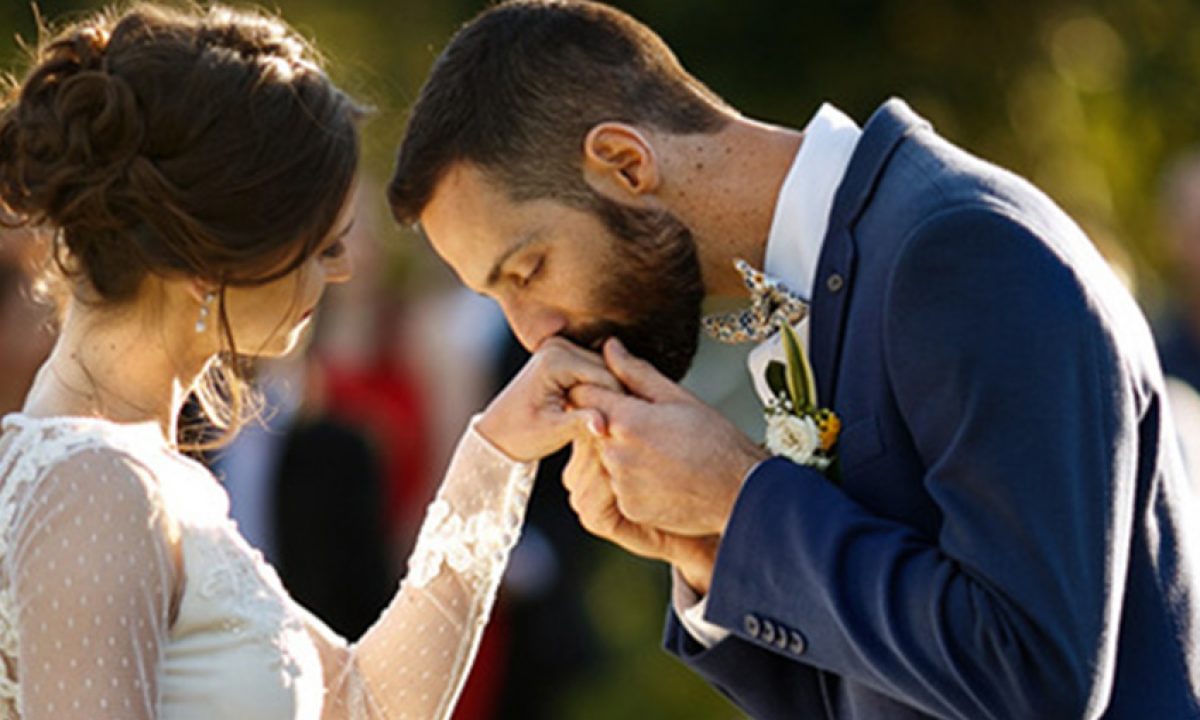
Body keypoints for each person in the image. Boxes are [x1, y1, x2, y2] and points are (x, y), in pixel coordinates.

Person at [387, 1, 1200, 717]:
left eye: (526, 271)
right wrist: (706, 550)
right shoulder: (814, 276)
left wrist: (741, 498)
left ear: (626, 165)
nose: (534, 334)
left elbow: (1035, 676)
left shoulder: (957, 248)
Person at [0, 4, 618, 718]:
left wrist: (497, 455)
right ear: (210, 259)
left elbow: (368, 701)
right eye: (321, 248)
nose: (341, 275)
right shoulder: (97, 485)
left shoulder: (135, 469)